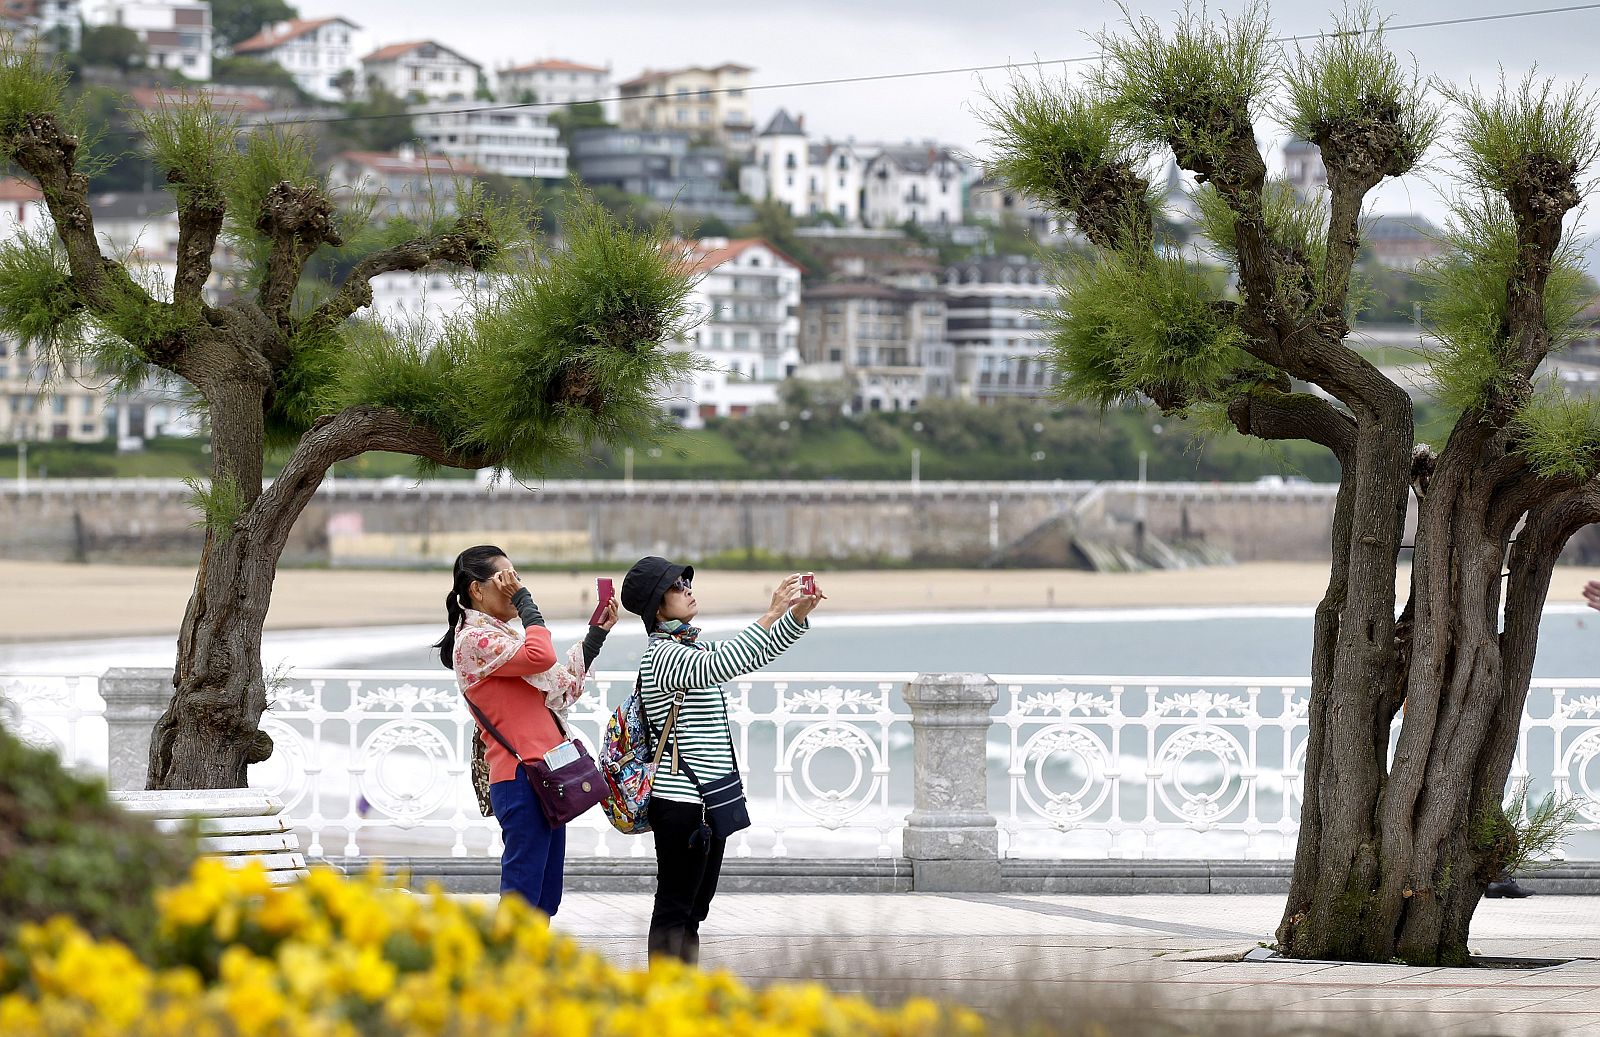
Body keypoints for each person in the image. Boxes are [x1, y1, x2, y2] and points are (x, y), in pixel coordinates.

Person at [621, 559, 823, 965]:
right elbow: (724, 662)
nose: (688, 589)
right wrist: (771, 613)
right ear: (657, 607)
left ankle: (683, 996)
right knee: (676, 906)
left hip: (709, 799)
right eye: (677, 586)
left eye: (686, 582)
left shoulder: (688, 648)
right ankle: (663, 1002)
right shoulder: (662, 656)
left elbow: (747, 657)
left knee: (695, 910)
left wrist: (795, 616)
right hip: (680, 804)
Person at [436, 545, 618, 916]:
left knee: (545, 896)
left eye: (517, 579)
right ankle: (506, 970)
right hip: (520, 778)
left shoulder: (503, 639)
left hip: (548, 775)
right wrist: (526, 602)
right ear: (477, 590)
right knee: (522, 894)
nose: (516, 585)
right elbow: (542, 656)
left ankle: (530, 970)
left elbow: (562, 688)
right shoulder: (474, 640)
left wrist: (595, 634)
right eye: (506, 579)